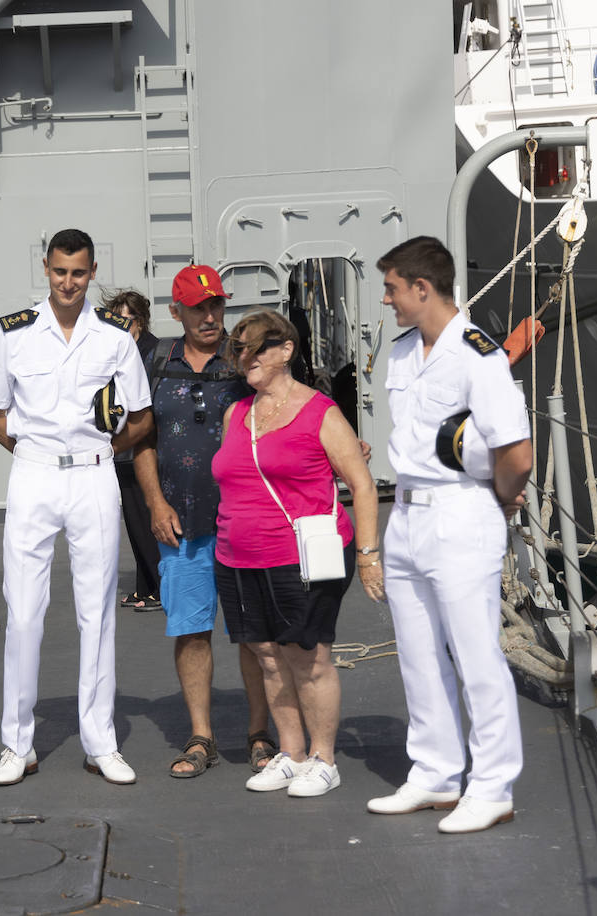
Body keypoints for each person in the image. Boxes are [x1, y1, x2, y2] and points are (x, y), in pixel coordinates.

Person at [366, 236, 532, 834]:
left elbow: (516, 449)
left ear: (422, 288)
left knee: (476, 654)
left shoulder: (477, 355)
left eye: (391, 289)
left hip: (462, 514)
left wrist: (504, 496)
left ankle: (492, 787)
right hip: (406, 515)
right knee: (417, 654)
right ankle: (435, 774)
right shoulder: (406, 350)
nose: (385, 300)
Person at [0, 228, 152, 787]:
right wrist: (30, 452)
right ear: (45, 270)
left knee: (96, 610)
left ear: (92, 272)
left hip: (95, 476)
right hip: (34, 476)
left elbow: (141, 416)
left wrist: (102, 450)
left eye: (78, 273)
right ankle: (16, 744)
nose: (68, 283)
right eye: (59, 272)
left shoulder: (116, 337)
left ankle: (99, 741)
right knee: (23, 611)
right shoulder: (15, 334)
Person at [211, 309, 382, 798]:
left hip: (301, 555)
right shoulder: (237, 413)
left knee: (308, 656)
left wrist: (368, 554)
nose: (246, 358)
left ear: (286, 349)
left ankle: (325, 758)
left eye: (256, 347)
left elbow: (362, 486)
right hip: (237, 555)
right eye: (238, 349)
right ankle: (292, 753)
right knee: (266, 655)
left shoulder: (320, 412)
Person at [131, 266, 274, 778]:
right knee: (192, 631)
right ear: (177, 312)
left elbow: (285, 411)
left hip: (244, 519)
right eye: (197, 307)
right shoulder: (154, 361)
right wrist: (154, 503)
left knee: (254, 632)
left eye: (215, 305)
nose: (209, 316)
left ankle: (260, 733)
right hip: (181, 520)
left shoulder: (244, 361)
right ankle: (202, 737)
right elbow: (142, 439)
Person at [102, 288, 161, 612]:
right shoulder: (121, 349)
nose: (122, 324)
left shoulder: (149, 351)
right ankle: (144, 587)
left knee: (145, 518)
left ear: (141, 319)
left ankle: (160, 589)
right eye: (117, 318)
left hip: (140, 448)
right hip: (122, 447)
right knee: (134, 521)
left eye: (129, 318)